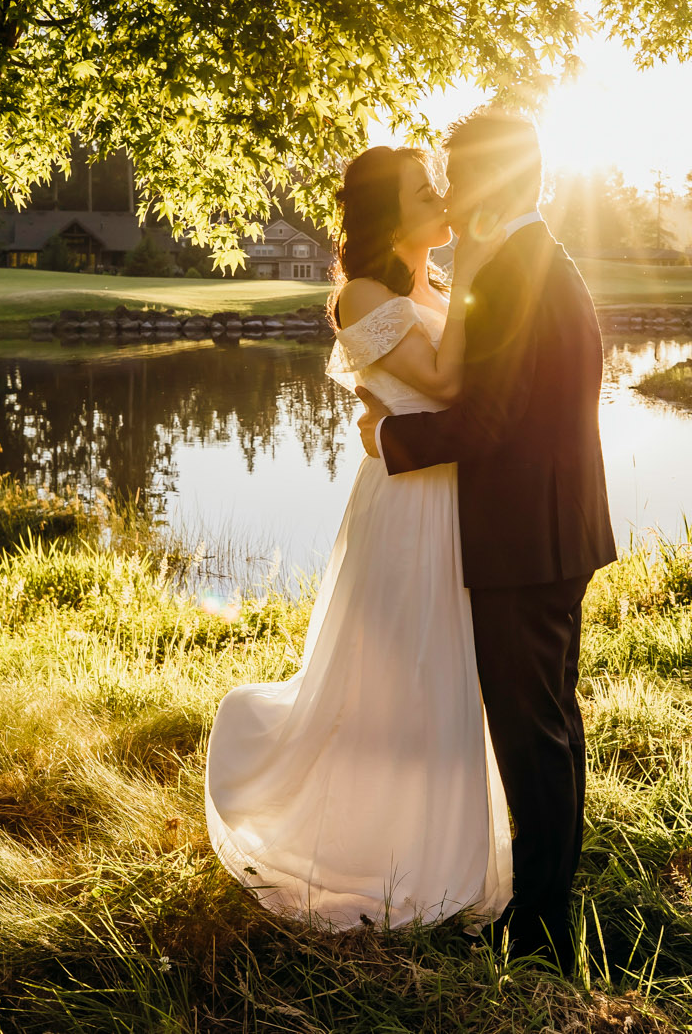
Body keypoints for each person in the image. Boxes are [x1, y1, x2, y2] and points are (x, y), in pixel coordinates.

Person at [203, 141, 514, 931]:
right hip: (407, 503)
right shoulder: (364, 292)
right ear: (386, 212)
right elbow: (443, 383)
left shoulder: (425, 283)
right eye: (422, 191)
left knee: (446, 671)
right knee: (397, 676)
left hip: (449, 489)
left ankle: (443, 852)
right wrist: (477, 261)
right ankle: (369, 853)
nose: (442, 198)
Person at [358, 109, 616, 971]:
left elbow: (491, 418)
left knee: (529, 729)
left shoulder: (511, 272)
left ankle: (540, 928)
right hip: (555, 523)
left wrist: (390, 441)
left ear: (494, 182)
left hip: (524, 533)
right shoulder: (538, 259)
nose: (451, 192)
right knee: (550, 722)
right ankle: (549, 902)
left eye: (459, 176)